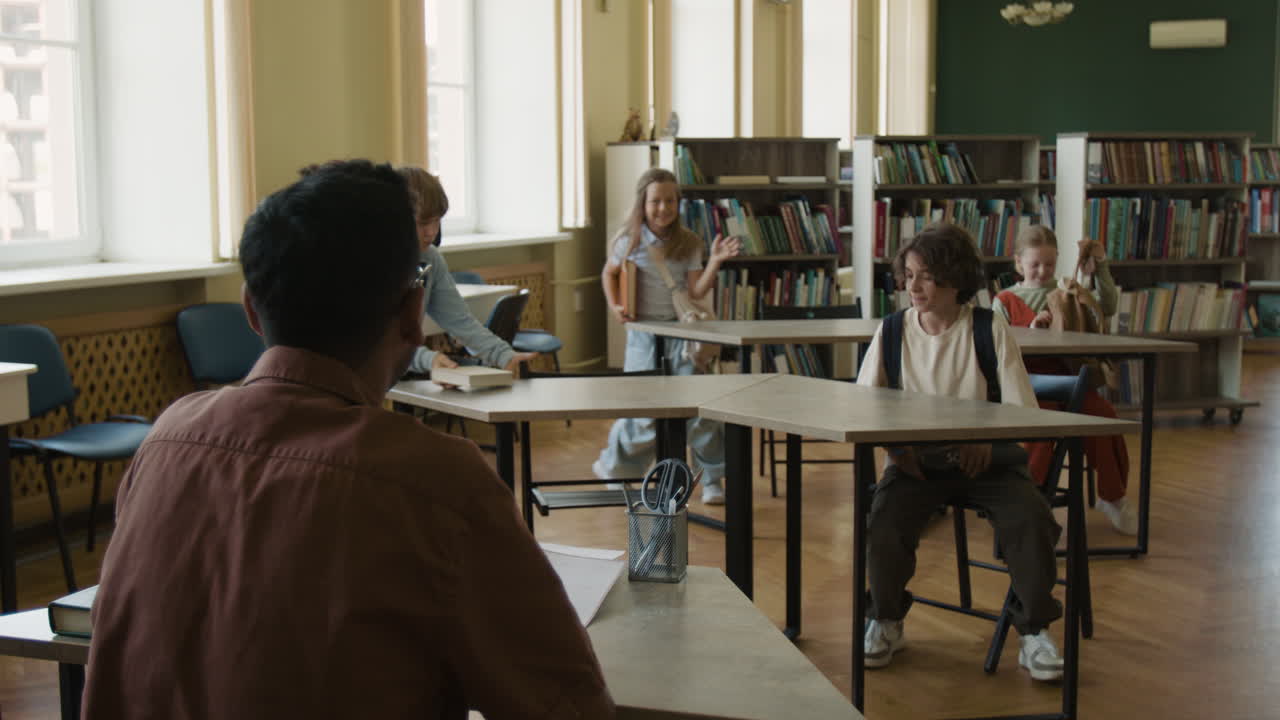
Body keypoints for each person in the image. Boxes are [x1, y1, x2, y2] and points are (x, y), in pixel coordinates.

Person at [82, 160, 615, 719]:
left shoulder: (164, 443)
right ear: (414, 314)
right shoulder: (436, 481)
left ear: (250, 311)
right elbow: (566, 706)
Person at [856, 222, 1065, 683]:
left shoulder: (990, 329)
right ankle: (886, 619)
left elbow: (1022, 413)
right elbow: (863, 407)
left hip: (989, 461)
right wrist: (897, 446)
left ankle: (1034, 633)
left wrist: (987, 442)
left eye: (925, 276)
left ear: (955, 280)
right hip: (916, 463)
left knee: (1030, 519)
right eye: (908, 275)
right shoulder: (892, 332)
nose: (913, 286)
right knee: (884, 521)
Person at [592, 168, 740, 505]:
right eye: (656, 201)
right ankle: (616, 469)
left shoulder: (689, 242)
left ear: (678, 203)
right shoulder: (626, 241)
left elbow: (696, 290)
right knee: (642, 411)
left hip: (680, 335)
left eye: (670, 200)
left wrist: (715, 262)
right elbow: (609, 273)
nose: (663, 208)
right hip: (643, 336)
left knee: (697, 411)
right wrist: (615, 306)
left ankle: (713, 478)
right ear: (643, 203)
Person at [991, 225, 1136, 535]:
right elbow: (996, 347)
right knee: (1039, 429)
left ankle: (1113, 496)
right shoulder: (1003, 300)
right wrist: (1031, 327)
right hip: (1026, 384)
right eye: (1034, 265)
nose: (1043, 271)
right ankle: (1030, 506)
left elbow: (1107, 306)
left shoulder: (1067, 291)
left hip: (1069, 382)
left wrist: (1099, 268)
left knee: (1104, 418)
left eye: (1050, 264)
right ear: (1019, 263)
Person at [397, 166, 537, 376]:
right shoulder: (375, 262)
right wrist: (427, 359)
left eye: (436, 221)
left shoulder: (431, 258)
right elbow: (376, 342)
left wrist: (502, 354)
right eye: (423, 223)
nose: (432, 232)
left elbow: (460, 321)